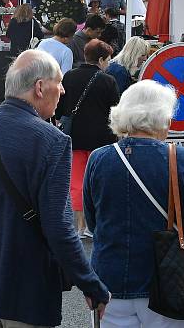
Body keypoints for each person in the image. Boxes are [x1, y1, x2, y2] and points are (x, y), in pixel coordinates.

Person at [0, 49, 110, 327]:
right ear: (40, 87)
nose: (63, 90)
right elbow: (59, 227)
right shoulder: (51, 140)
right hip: (24, 290)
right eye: (59, 82)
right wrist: (90, 283)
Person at [84, 80, 184, 328]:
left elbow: (94, 223)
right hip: (165, 281)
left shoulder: (98, 159)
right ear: (162, 117)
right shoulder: (179, 158)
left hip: (110, 279)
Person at [56, 39, 120, 238]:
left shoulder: (70, 76)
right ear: (100, 59)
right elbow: (115, 110)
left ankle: (79, 226)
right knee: (97, 180)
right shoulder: (108, 80)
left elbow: (60, 106)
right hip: (102, 138)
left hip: (74, 135)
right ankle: (93, 225)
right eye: (107, 59)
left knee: (76, 181)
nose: (108, 63)